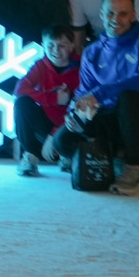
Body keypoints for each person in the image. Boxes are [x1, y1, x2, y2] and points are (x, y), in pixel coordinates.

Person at [57, 0, 139, 195]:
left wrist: (101, 93)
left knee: (128, 98)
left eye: (123, 13)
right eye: (110, 12)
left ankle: (133, 169)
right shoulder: (92, 51)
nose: (115, 18)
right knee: (62, 141)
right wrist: (74, 111)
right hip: (112, 119)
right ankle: (111, 158)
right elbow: (84, 91)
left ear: (134, 15)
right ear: (101, 14)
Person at [13, 24, 85, 177]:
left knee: (84, 114)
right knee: (22, 103)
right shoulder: (41, 65)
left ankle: (67, 152)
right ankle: (30, 155)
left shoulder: (82, 67)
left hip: (72, 126)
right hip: (48, 120)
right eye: (50, 45)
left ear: (72, 45)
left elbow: (82, 107)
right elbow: (20, 90)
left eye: (62, 46)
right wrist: (54, 98)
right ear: (43, 45)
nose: (56, 51)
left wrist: (55, 135)